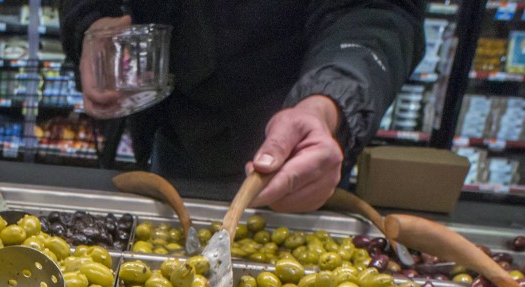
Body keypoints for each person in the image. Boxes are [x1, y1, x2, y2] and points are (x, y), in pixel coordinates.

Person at [60, 1, 426, 212]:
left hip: (293, 134)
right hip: (170, 131)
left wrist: (328, 99)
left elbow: (377, 11)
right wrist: (91, 20)